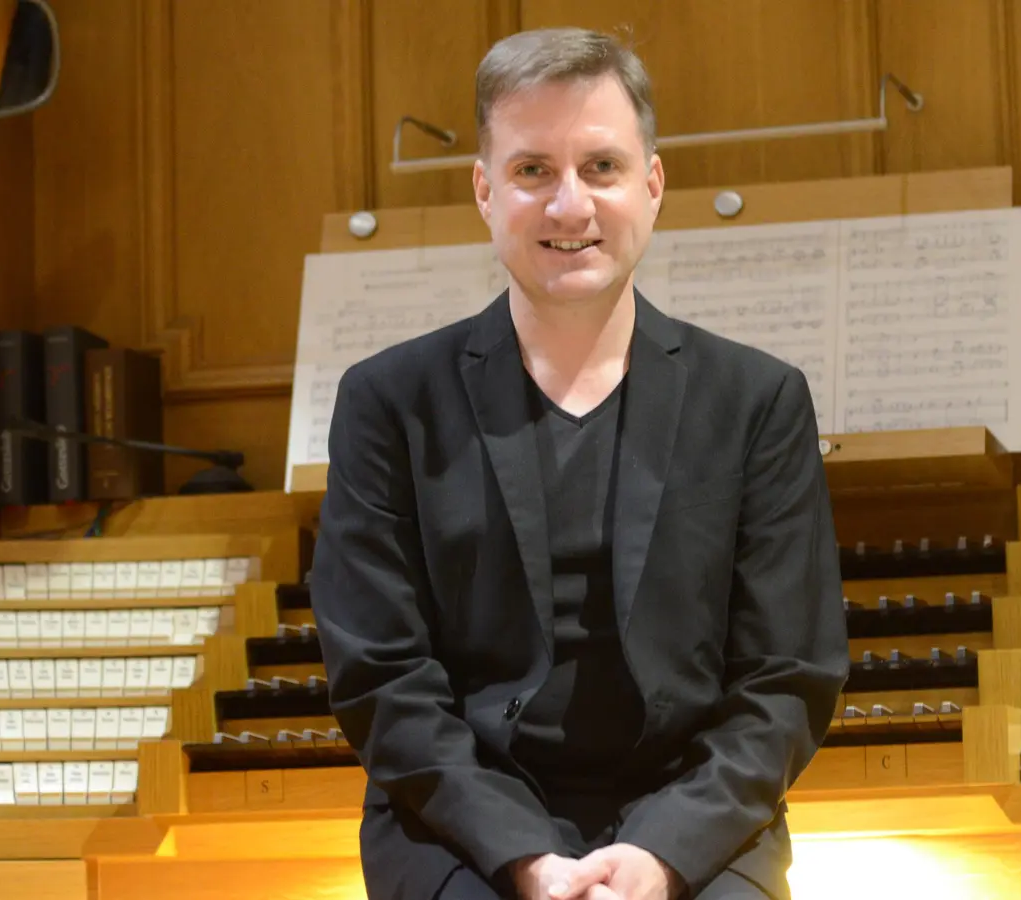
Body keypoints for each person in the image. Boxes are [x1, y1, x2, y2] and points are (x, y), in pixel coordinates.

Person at [309, 26, 847, 900]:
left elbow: (788, 677)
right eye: (532, 172)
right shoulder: (388, 403)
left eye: (601, 167)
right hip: (460, 817)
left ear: (653, 185)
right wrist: (523, 856)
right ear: (485, 192)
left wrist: (663, 852)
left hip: (690, 809)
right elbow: (381, 679)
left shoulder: (757, 401)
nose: (570, 206)